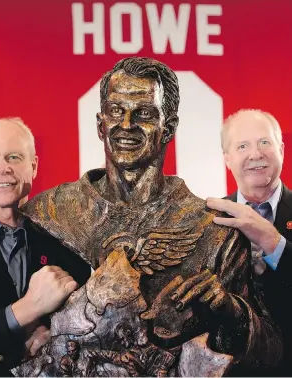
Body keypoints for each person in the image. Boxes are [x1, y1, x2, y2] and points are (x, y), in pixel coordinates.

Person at [18, 58, 282, 376]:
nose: (126, 124)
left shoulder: (213, 230)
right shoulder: (48, 213)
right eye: (116, 110)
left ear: (168, 128)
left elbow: (271, 356)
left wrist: (231, 312)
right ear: (100, 124)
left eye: (143, 113)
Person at [0, 118, 91, 377]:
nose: (3, 168)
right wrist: (27, 309)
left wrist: (58, 334)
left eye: (14, 157)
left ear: (33, 166)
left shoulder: (69, 240)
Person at [207, 109, 292, 376]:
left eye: (264, 142)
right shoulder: (209, 221)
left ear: (281, 149)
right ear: (227, 159)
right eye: (243, 146)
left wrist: (272, 240)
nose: (255, 154)